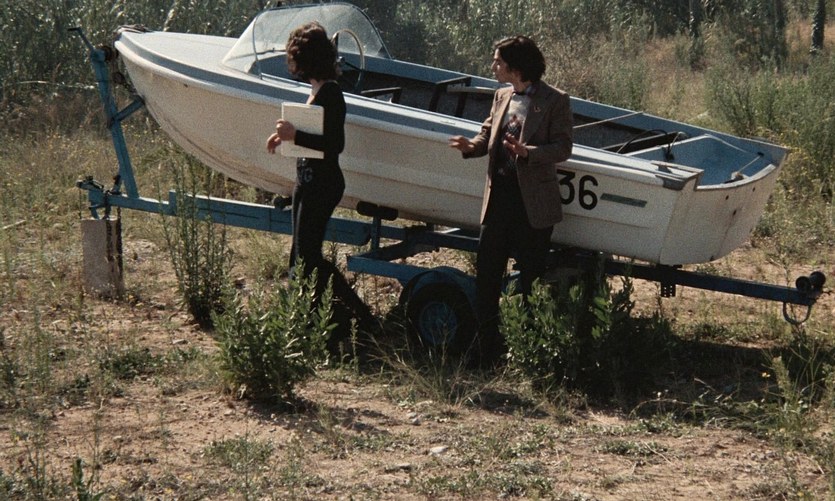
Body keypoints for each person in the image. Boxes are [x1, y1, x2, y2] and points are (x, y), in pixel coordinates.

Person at [448, 35, 573, 367]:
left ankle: (528, 354)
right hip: (498, 202)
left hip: (532, 206)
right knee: (487, 278)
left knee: (531, 282)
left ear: (516, 67)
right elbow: (487, 134)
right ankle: (485, 351)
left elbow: (563, 148)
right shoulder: (502, 95)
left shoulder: (555, 100)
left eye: (498, 61)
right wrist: (470, 146)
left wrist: (528, 152)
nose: (493, 66)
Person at [267, 22, 374, 333]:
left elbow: (334, 144)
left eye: (294, 56)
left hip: (323, 184)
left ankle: (358, 316)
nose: (291, 62)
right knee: (299, 257)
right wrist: (285, 138)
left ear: (306, 58)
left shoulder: (331, 93)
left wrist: (295, 135)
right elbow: (312, 134)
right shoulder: (316, 90)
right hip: (307, 182)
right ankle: (309, 318)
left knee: (309, 258)